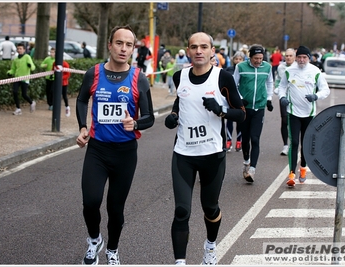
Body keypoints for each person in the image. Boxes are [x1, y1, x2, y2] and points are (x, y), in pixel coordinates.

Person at [75, 25, 155, 265]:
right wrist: (82, 127)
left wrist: (136, 123)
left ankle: (112, 249)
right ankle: (94, 240)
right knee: (90, 202)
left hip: (125, 153)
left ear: (133, 48)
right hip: (98, 150)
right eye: (119, 43)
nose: (123, 49)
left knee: (115, 209)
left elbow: (150, 117)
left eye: (128, 45)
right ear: (110, 45)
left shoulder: (139, 78)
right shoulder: (94, 73)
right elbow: (81, 100)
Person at [164, 32, 245, 265]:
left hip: (212, 154)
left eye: (203, 47)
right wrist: (173, 116)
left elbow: (241, 113)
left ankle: (210, 246)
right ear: (188, 51)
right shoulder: (180, 76)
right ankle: (180, 261)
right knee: (181, 211)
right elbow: (180, 101)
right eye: (193, 47)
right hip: (183, 153)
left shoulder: (223, 78)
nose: (198, 51)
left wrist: (221, 111)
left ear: (212, 51)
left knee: (210, 208)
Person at [278, 45, 330, 187]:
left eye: (304, 57)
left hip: (309, 114)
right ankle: (291, 174)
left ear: (308, 58)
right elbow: (281, 87)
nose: (301, 60)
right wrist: (282, 97)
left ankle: (303, 169)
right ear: (296, 57)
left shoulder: (315, 71)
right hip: (293, 112)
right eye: (299, 57)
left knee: (306, 145)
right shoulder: (289, 71)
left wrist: (316, 95)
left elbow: (326, 90)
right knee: (294, 143)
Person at [233, 44, 274, 183]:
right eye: (256, 58)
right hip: (244, 109)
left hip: (259, 107)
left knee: (255, 138)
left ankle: (252, 169)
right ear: (250, 57)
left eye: (261, 58)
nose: (258, 61)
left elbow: (270, 83)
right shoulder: (241, 67)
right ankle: (246, 162)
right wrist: (240, 99)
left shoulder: (267, 67)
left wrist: (268, 99)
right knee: (245, 139)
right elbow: (234, 84)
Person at [274, 48, 296, 156]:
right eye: (286, 56)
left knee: (295, 121)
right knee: (284, 120)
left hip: (296, 98)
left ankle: (294, 144)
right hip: (284, 97)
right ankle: (285, 146)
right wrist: (277, 89)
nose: (288, 57)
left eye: (290, 56)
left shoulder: (297, 67)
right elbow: (278, 79)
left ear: (294, 57)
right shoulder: (281, 67)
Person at [7, 43, 36, 115]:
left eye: (20, 49)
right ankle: (18, 108)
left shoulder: (27, 57)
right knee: (15, 92)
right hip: (17, 78)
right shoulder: (15, 59)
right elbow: (13, 69)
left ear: (24, 50)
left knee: (24, 94)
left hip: (25, 78)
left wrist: (30, 66)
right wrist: (10, 72)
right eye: (18, 49)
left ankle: (32, 102)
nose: (19, 50)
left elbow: (33, 67)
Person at [225, 51, 246, 152]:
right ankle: (228, 140)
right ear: (233, 60)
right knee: (229, 120)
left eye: (240, 59)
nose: (238, 61)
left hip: (240, 99)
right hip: (230, 99)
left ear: (243, 60)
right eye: (236, 59)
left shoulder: (244, 70)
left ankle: (239, 140)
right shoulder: (228, 70)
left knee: (240, 120)